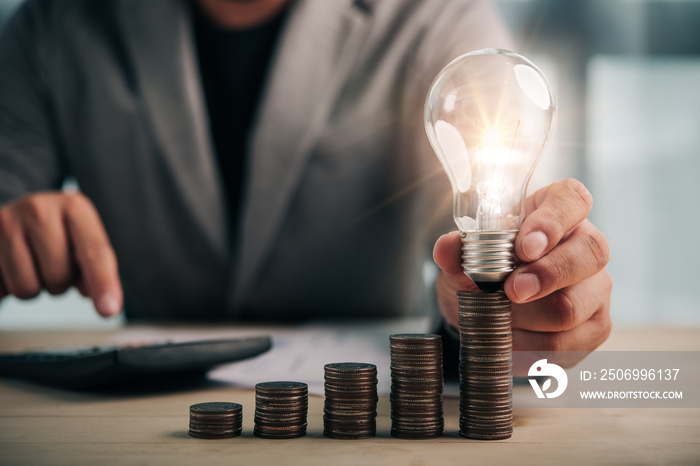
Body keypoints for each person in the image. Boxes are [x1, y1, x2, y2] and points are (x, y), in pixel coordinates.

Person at [0, 0, 611, 355]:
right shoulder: (52, 26)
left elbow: (513, 206)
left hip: (363, 419)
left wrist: (514, 286)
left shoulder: (435, 18)